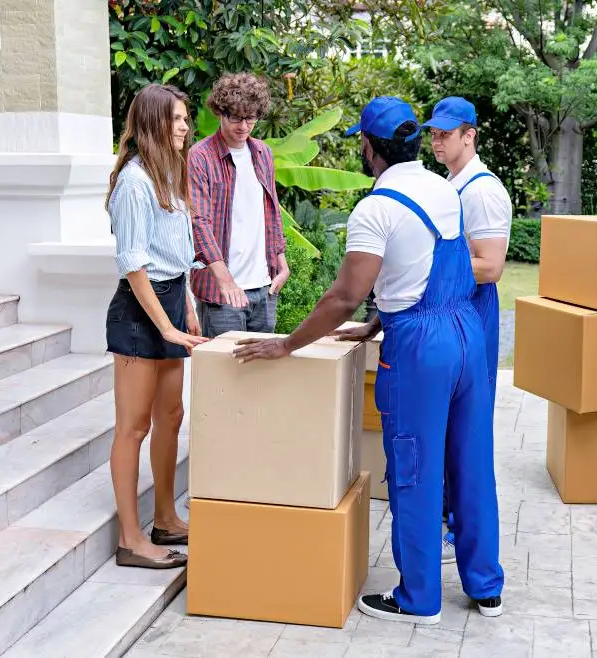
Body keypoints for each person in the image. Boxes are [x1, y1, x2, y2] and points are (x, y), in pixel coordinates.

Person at [233, 97, 505, 624]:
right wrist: (377, 322)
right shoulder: (442, 188)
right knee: (470, 462)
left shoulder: (375, 209)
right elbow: (424, 270)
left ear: (368, 147)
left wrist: (286, 344)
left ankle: (419, 599)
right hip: (467, 334)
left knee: (415, 467)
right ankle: (486, 587)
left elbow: (343, 296)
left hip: (420, 349)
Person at [104, 83, 208, 569]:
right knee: (133, 427)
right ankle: (131, 540)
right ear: (152, 122)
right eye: (176, 118)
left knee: (172, 415)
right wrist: (165, 326)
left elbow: (175, 256)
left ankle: (165, 519)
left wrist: (185, 307)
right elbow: (133, 263)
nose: (185, 126)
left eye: (186, 118)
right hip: (138, 312)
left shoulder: (168, 174)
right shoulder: (135, 182)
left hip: (169, 301)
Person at [424, 96, 513, 564]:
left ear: (469, 135)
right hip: (451, 308)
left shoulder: (481, 191)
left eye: (446, 134)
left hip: (473, 311)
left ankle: (460, 532)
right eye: (433, 134)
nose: (437, 142)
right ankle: (446, 522)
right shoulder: (449, 184)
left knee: (467, 429)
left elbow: (491, 266)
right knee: (445, 425)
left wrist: (425, 267)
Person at [189, 72, 289, 337]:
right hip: (222, 292)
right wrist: (225, 280)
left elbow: (271, 210)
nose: (243, 126)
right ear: (220, 113)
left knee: (261, 364)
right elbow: (198, 222)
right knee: (224, 364)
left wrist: (281, 260)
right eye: (235, 117)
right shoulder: (201, 156)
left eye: (251, 118)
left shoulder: (263, 153)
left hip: (264, 287)